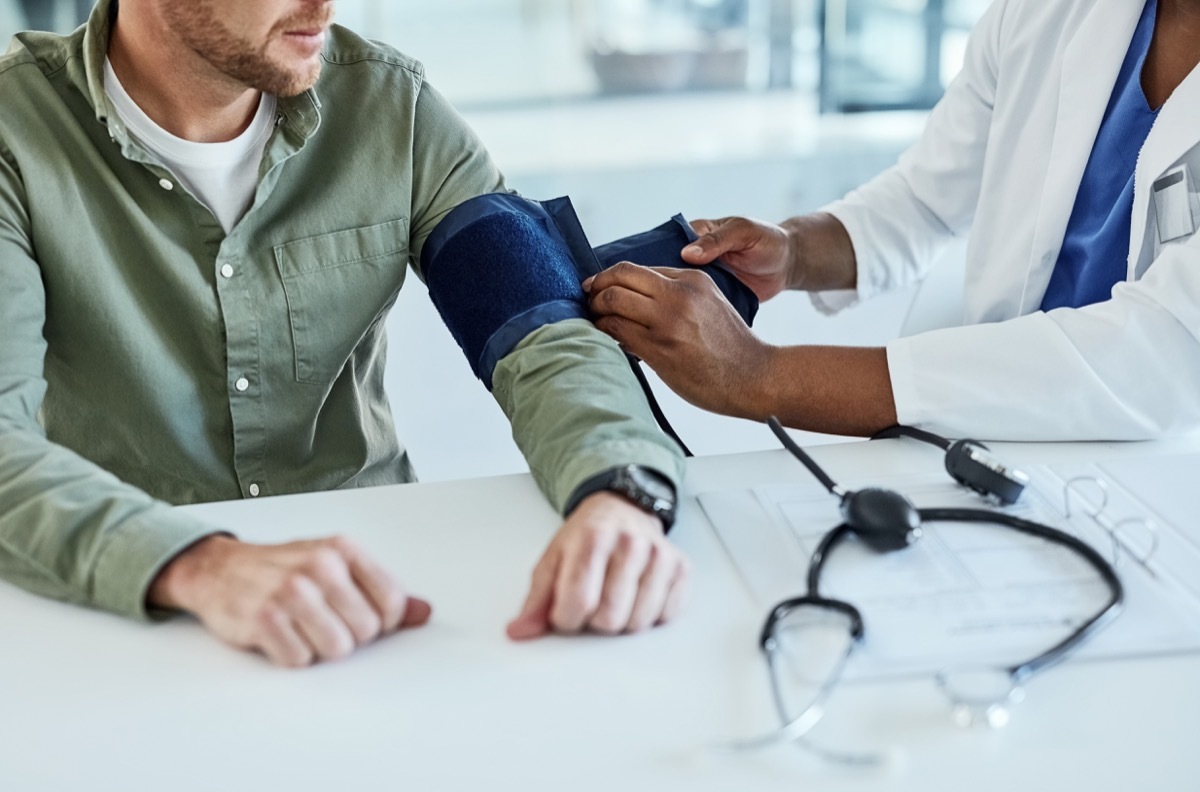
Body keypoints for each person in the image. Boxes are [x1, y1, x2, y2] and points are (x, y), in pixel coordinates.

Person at [0, 0, 690, 668]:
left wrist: (621, 489)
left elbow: (542, 329)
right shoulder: (14, 135)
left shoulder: (396, 108)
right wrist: (196, 564)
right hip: (116, 626)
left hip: (385, 609)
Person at [585, 0, 1200, 442]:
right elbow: (925, 199)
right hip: (998, 436)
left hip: (1163, 468)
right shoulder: (1049, 13)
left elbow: (1157, 357)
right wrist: (795, 251)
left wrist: (759, 375)